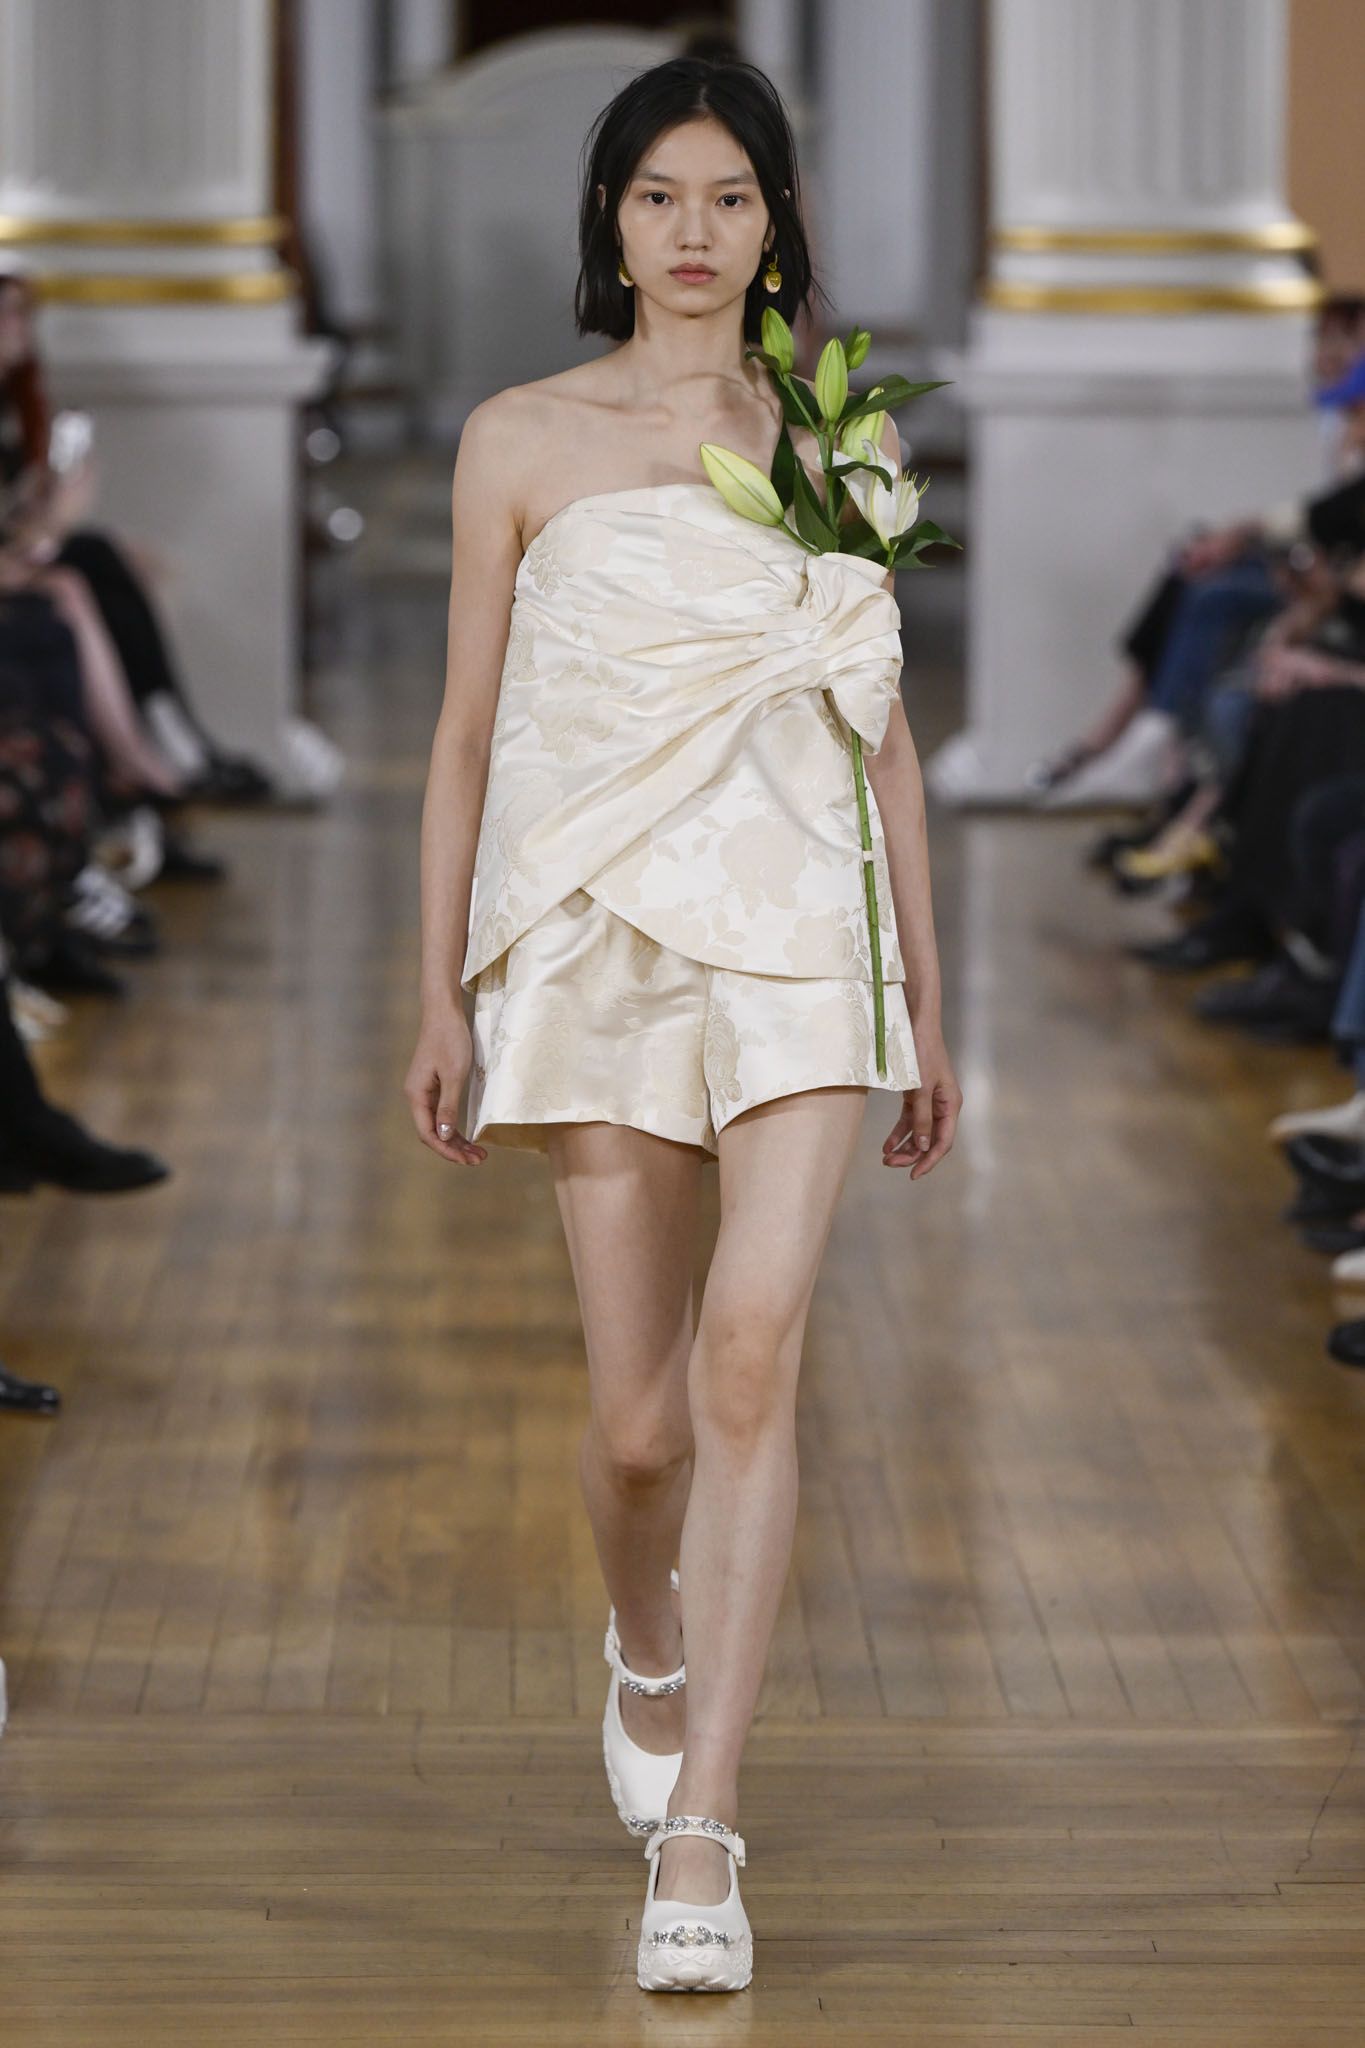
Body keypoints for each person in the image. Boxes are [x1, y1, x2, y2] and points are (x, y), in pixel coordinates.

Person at [403, 54, 961, 1994]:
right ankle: (641, 1634)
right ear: (611, 220)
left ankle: (705, 1824)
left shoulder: (837, 447)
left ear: (775, 220)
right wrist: (436, 988)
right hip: (592, 935)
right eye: (660, 196)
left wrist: (926, 996)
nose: (695, 232)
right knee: (640, 1428)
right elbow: (462, 739)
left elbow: (880, 738)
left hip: (800, 931)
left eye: (730, 196)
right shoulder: (518, 439)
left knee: (747, 1359)